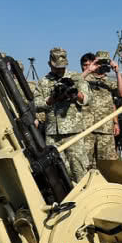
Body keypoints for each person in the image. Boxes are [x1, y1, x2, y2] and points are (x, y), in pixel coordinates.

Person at [35, 48, 90, 183]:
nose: (60, 70)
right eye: (56, 67)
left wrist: (76, 93)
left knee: (79, 168)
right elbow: (36, 104)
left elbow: (88, 99)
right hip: (53, 135)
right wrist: (52, 99)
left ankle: (84, 198)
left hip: (74, 132)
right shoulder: (43, 82)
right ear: (50, 64)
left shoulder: (76, 78)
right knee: (59, 171)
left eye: (62, 67)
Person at [81, 50, 122, 169]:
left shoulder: (109, 82)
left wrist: (117, 72)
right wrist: (89, 69)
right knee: (86, 164)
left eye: (105, 63)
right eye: (99, 62)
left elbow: (121, 93)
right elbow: (74, 84)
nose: (101, 66)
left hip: (105, 129)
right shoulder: (85, 79)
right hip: (87, 128)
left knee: (108, 164)